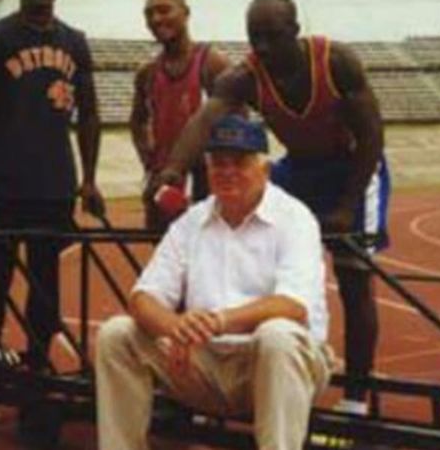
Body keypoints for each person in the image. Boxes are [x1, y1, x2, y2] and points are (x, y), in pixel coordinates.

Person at [151, 0, 389, 415]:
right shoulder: (246, 75)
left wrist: (347, 204)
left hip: (354, 168)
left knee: (354, 279)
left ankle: (356, 397)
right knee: (238, 223)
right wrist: (172, 172)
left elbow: (372, 135)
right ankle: (220, 372)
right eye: (253, 37)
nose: (262, 48)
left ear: (295, 32)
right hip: (299, 167)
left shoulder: (336, 62)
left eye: (272, 37)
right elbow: (206, 119)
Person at [96, 114, 332, 450]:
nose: (227, 171)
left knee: (277, 335)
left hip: (269, 365)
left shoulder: (295, 219)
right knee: (117, 334)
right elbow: (143, 296)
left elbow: (292, 305)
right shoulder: (192, 221)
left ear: (265, 170)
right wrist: (175, 326)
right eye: (218, 163)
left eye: (239, 161)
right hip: (202, 364)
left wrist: (219, 321)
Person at [0, 0, 107, 424]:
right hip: (4, 182)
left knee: (45, 290)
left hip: (54, 182)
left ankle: (38, 375)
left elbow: (92, 113)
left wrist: (89, 179)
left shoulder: (75, 42)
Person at [129, 0, 230, 230]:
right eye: (149, 14)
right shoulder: (148, 73)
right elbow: (137, 121)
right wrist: (149, 161)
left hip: (206, 178)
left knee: (210, 251)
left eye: (164, 10)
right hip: (165, 178)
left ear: (185, 13)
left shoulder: (213, 63)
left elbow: (237, 121)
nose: (156, 19)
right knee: (165, 252)